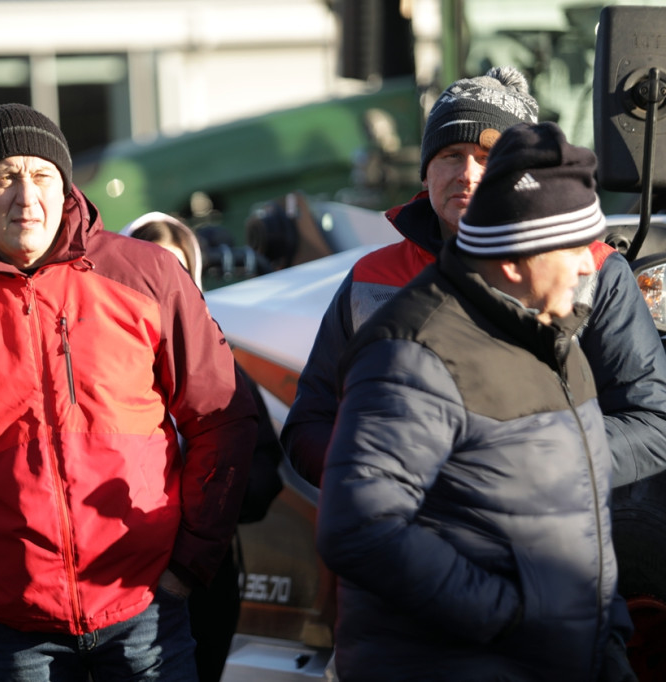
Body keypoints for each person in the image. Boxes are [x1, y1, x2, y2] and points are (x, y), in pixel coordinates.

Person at [0, 103, 258, 681]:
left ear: (65, 185)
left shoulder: (148, 276)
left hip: (146, 609)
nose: (25, 197)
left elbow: (222, 418)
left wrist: (188, 564)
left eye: (41, 175)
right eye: (2, 178)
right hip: (10, 630)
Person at [317, 120, 636, 681]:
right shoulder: (417, 349)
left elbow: (577, 516)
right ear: (514, 262)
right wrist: (513, 617)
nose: (592, 263)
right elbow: (361, 527)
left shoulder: (556, 340)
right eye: (574, 247)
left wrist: (603, 643)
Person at [283, 65, 666, 490]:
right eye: (450, 156)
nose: (468, 174)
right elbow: (309, 425)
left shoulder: (594, 270)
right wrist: (383, 471)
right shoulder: (370, 280)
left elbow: (652, 425)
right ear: (425, 172)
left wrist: (528, 464)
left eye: (489, 158)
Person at [121, 211, 284, 682]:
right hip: (117, 581)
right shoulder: (96, 360)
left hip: (201, 584)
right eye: (148, 267)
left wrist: (206, 487)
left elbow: (262, 473)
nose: (160, 285)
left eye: (174, 270)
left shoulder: (221, 369)